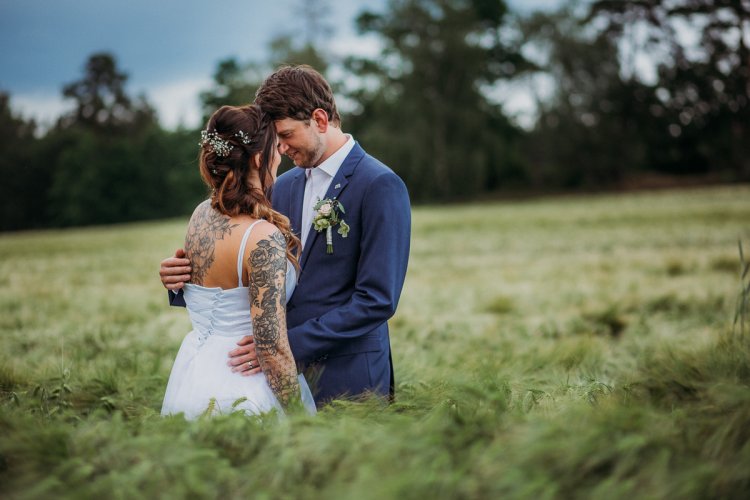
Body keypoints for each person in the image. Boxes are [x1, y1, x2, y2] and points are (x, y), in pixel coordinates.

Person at [160, 65, 411, 405]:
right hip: (269, 377)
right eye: (274, 140)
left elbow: (377, 299)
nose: (280, 147)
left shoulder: (379, 185)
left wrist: (284, 344)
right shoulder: (280, 186)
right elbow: (249, 266)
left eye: (286, 135)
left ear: (319, 120)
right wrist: (182, 281)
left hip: (349, 375)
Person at [160, 104, 316, 419]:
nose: (280, 154)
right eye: (275, 147)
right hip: (245, 382)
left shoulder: (201, 214)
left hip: (196, 371)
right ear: (259, 158)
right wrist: (300, 421)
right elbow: (270, 348)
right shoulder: (263, 237)